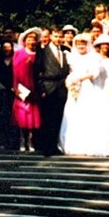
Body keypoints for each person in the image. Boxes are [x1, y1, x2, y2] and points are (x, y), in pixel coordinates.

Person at [59, 33, 109, 157]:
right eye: (78, 44)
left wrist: (80, 78)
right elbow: (70, 71)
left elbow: (95, 72)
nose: (81, 46)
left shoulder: (94, 57)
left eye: (83, 44)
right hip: (74, 86)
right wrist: (72, 80)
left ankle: (90, 144)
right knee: (73, 113)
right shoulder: (72, 57)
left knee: (88, 114)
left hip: (88, 86)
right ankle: (73, 144)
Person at [34, 27, 70, 156]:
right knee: (47, 118)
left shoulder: (65, 51)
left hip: (62, 87)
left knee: (58, 118)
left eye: (60, 37)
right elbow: (36, 72)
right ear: (51, 37)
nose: (58, 39)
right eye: (56, 36)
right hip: (48, 87)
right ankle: (46, 147)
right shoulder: (43, 52)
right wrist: (41, 89)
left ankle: (54, 146)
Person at [12, 28, 42, 153]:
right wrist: (16, 87)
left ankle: (30, 141)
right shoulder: (19, 53)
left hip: (33, 88)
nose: (31, 41)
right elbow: (14, 72)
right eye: (29, 38)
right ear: (24, 40)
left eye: (33, 39)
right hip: (21, 88)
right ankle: (22, 140)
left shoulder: (38, 54)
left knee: (31, 118)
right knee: (21, 116)